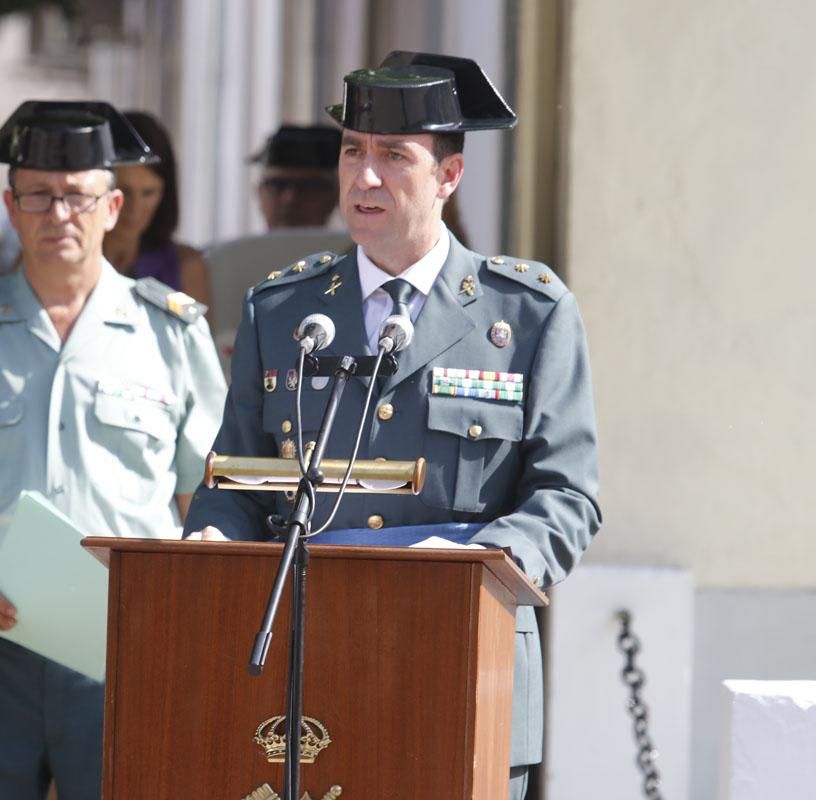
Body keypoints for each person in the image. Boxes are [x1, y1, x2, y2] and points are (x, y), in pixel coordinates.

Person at [184, 52, 601, 800]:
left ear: (449, 175)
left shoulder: (527, 313)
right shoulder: (282, 311)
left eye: (394, 157)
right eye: (353, 152)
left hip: (466, 658)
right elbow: (235, 477)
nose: (364, 177)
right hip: (309, 666)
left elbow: (568, 498)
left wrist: (484, 563)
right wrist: (210, 542)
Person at [0, 100, 226, 800]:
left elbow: (211, 502)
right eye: (38, 194)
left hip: (129, 650)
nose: (57, 213)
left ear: (114, 206)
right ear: (10, 205)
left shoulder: (173, 334)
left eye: (77, 196)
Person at [102, 110, 213, 310]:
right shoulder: (62, 258)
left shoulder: (186, 267)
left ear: (165, 193)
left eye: (149, 193)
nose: (134, 209)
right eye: (124, 191)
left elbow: (196, 339)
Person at [251, 124, 343, 229]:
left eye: (307, 187)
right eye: (277, 186)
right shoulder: (239, 245)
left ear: (334, 195)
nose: (290, 198)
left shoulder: (360, 245)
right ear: (258, 191)